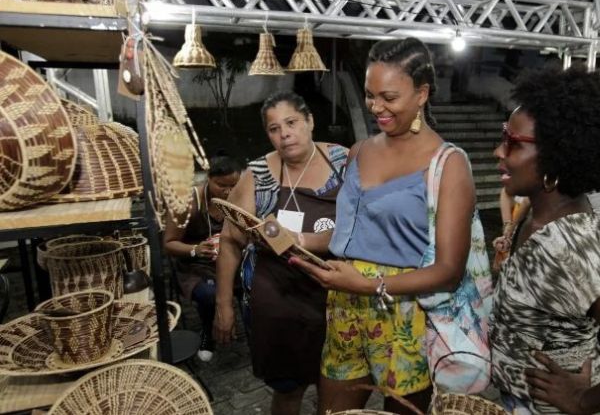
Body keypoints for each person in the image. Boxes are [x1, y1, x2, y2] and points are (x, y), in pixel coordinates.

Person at [290, 38, 492, 414]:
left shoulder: (448, 164)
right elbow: (349, 233)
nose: (376, 107)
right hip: (345, 304)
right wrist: (296, 239)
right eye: (369, 95)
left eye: (388, 97)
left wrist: (369, 285)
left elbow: (448, 271)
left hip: (404, 312)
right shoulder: (360, 151)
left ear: (422, 94)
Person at [213, 91, 348, 415]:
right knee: (288, 390)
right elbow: (231, 241)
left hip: (337, 296)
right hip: (279, 299)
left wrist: (303, 239)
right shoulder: (257, 175)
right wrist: (223, 304)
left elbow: (361, 226)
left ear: (310, 121)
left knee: (336, 392)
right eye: (274, 128)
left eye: (291, 122)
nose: (284, 133)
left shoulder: (343, 162)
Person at [489, 66, 600, 414]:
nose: (498, 151)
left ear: (556, 156)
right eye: (503, 135)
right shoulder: (532, 214)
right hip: (516, 399)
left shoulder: (572, 249)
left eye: (513, 143)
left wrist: (583, 400)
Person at [163, 154, 242, 362]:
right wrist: (195, 249)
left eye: (233, 185)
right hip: (194, 265)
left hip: (228, 259)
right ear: (208, 177)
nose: (227, 192)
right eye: (221, 185)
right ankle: (208, 333)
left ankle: (246, 327)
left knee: (255, 279)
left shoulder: (238, 197)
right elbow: (168, 243)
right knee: (208, 293)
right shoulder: (188, 203)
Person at [492, 188, 530, 271]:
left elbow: (527, 202)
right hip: (518, 223)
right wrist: (508, 227)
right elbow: (506, 192)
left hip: (526, 225)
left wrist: (509, 229)